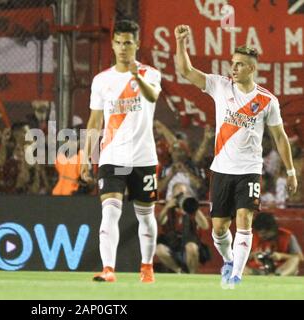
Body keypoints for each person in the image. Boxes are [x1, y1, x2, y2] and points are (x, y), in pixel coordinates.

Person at [175, 25, 298, 288]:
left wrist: (290, 171)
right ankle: (230, 260)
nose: (234, 68)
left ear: (251, 69)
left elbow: (280, 137)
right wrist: (181, 43)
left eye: (240, 64)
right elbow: (186, 71)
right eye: (233, 63)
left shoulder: (267, 101)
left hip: (249, 170)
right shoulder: (220, 86)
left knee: (244, 220)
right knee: (218, 228)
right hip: (221, 169)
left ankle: (236, 276)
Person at [81, 20, 162, 283]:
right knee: (110, 212)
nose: (123, 47)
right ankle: (108, 270)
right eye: (118, 42)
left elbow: (152, 97)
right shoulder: (102, 80)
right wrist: (86, 156)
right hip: (112, 156)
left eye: (128, 42)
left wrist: (136, 75)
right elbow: (94, 121)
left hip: (143, 157)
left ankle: (147, 267)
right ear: (112, 44)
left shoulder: (150, 74)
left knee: (146, 216)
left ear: (137, 44)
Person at [156, 183, 210, 274]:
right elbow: (160, 221)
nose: (181, 198)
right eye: (178, 195)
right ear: (172, 196)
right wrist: (167, 206)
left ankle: (192, 276)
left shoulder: (191, 209)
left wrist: (193, 207)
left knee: (191, 247)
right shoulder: (169, 210)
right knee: (159, 249)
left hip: (190, 247)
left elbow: (205, 226)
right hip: (172, 247)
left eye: (183, 194)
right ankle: (179, 271)